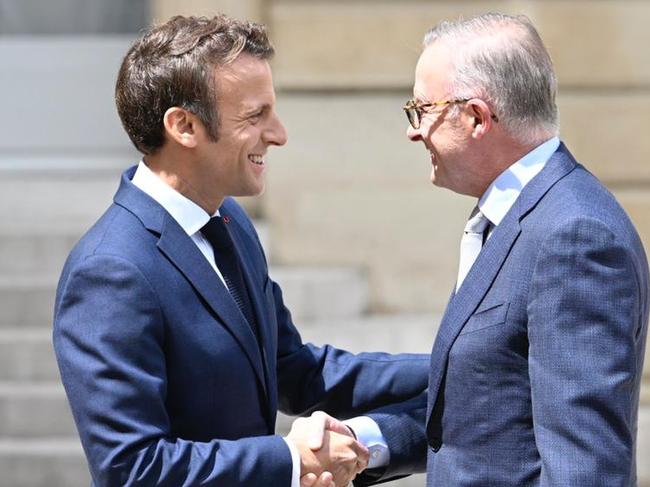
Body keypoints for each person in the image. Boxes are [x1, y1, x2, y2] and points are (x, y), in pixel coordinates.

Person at [52, 14, 429, 487]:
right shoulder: (109, 271)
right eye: (256, 116)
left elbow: (297, 372)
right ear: (184, 126)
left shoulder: (229, 223)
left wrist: (455, 365)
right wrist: (291, 461)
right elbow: (133, 469)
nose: (279, 134)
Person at [334, 12, 649, 487]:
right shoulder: (516, 215)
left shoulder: (574, 237)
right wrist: (367, 442)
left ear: (477, 117)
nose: (413, 131)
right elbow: (487, 412)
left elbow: (585, 470)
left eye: (421, 110)